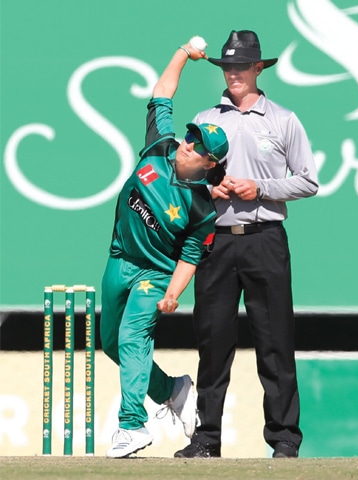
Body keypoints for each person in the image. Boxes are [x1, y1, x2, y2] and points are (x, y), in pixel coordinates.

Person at [174, 30, 319, 459]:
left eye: (242, 66)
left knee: (275, 341)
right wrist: (208, 188)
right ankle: (206, 439)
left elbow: (308, 181)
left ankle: (285, 439)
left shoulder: (283, 119)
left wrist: (261, 188)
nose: (234, 73)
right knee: (212, 342)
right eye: (227, 67)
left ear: (258, 68)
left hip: (264, 240)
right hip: (216, 241)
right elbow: (184, 173)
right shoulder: (205, 118)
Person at [100, 39, 229, 459]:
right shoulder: (160, 146)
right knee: (111, 345)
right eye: (190, 137)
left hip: (154, 277)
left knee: (134, 339)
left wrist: (173, 292)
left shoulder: (201, 208)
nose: (187, 144)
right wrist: (181, 53)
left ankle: (132, 426)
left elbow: (191, 255)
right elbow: (162, 94)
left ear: (209, 163)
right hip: (119, 260)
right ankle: (173, 389)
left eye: (197, 146)